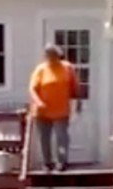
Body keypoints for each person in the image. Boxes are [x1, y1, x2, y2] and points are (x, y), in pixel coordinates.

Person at [29, 44, 80, 172]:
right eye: (48, 55)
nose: (51, 57)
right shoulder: (41, 69)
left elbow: (75, 88)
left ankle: (62, 162)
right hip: (42, 110)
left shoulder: (67, 68)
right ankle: (47, 162)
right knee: (44, 138)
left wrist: (78, 103)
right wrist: (38, 102)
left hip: (61, 109)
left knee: (62, 137)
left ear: (58, 55)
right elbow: (32, 89)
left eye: (53, 55)